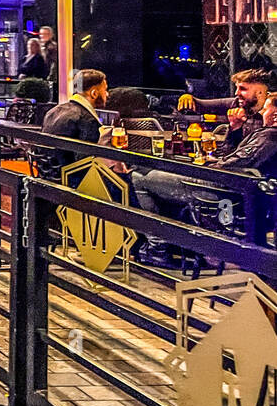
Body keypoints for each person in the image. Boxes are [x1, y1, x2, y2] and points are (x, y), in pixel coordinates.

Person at [131, 94, 277, 264]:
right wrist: (234, 128)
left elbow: (233, 165)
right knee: (149, 174)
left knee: (138, 177)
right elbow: (231, 157)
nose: (262, 112)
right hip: (227, 186)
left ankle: (158, 249)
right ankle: (174, 246)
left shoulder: (270, 136)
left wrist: (206, 167)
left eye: (266, 109)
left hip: (222, 190)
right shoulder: (265, 134)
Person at [37, 69, 107, 181]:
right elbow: (85, 164)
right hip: (70, 182)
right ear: (94, 93)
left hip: (47, 174)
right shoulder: (87, 119)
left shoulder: (54, 111)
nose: (107, 94)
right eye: (105, 90)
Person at [177, 69, 270, 154]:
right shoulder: (236, 103)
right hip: (240, 162)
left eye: (243, 89)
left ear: (260, 92)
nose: (236, 93)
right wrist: (187, 97)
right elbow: (202, 106)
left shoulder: (272, 109)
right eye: (237, 88)